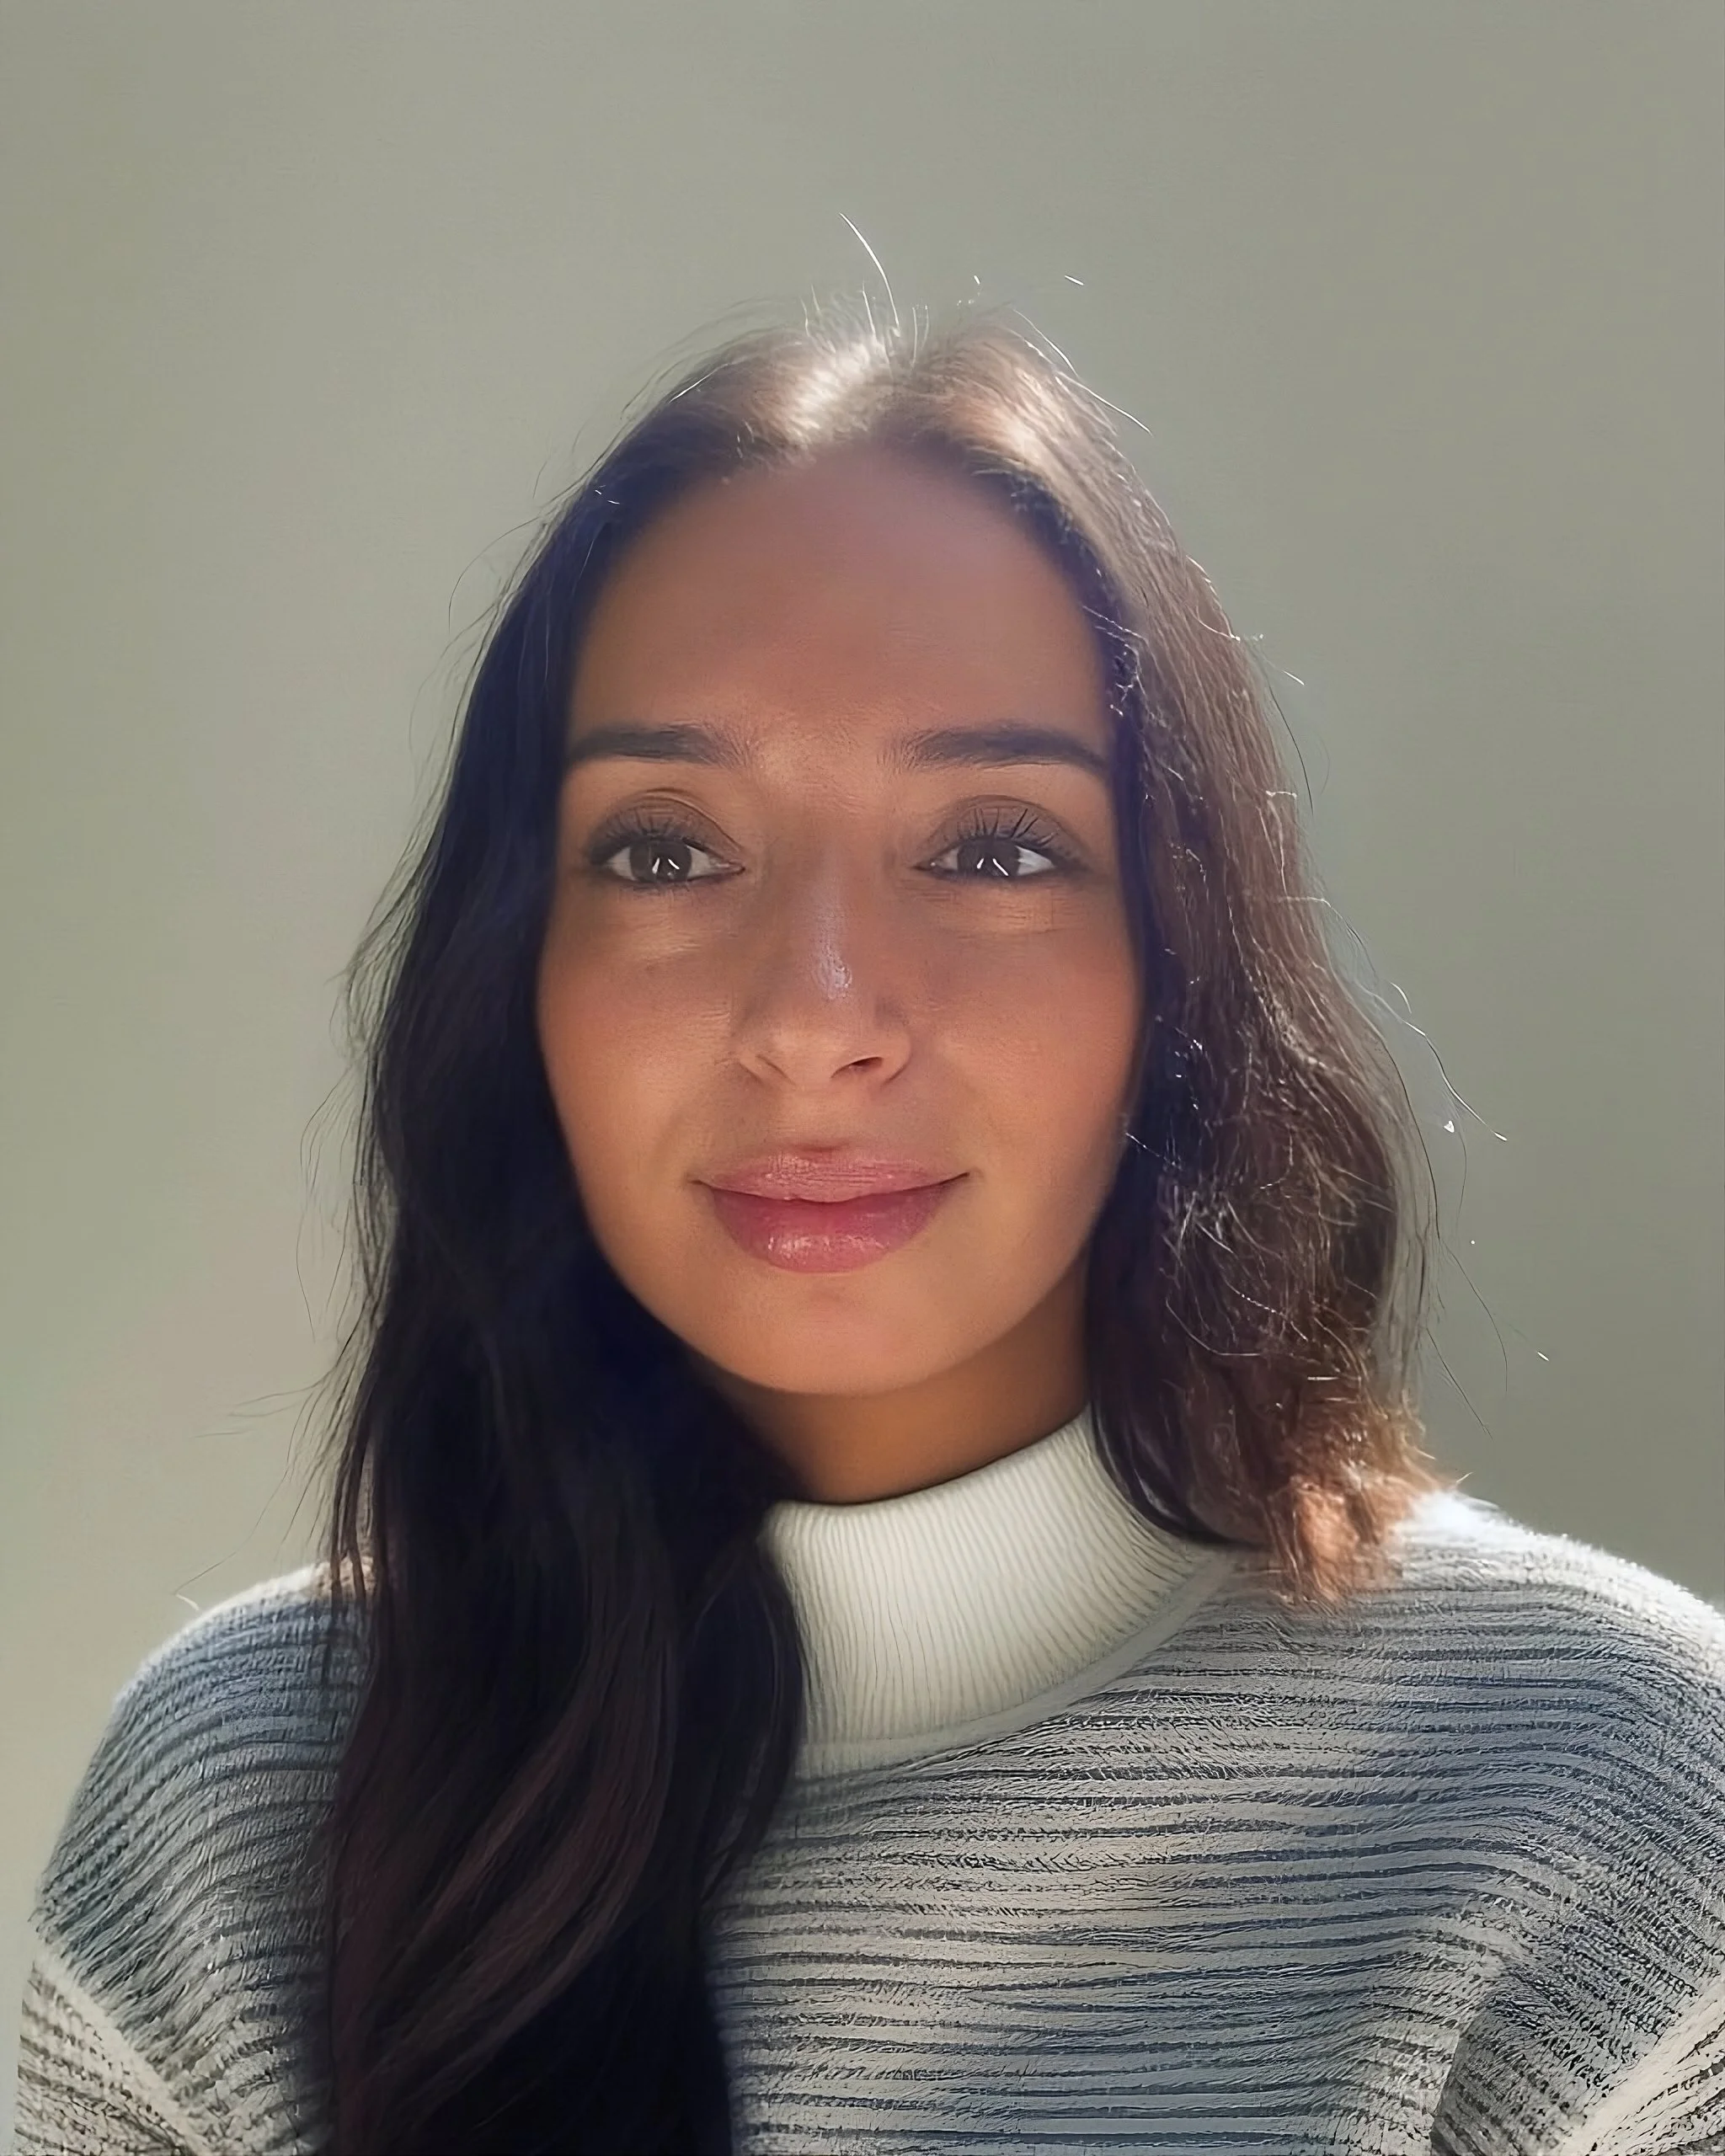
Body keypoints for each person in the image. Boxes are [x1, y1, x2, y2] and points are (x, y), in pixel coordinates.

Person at [13, 302, 1723, 2156]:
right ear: (517, 976)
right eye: (665, 847)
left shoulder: (1607, 1801)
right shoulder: (243, 1813)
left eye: (991, 846)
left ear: (1178, 963)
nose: (817, 1014)